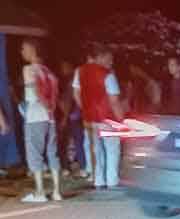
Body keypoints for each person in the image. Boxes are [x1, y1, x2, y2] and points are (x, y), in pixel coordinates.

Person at [74, 47, 124, 190]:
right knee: (112, 150)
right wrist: (121, 120)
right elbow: (114, 101)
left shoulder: (80, 71)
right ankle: (112, 181)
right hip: (107, 118)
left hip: (89, 119)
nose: (111, 62)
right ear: (100, 57)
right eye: (109, 59)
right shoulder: (108, 75)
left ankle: (98, 181)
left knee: (96, 151)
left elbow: (76, 93)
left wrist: (85, 109)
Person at [20, 39, 62, 203]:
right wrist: (50, 107)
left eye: (24, 49)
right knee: (52, 152)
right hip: (50, 117)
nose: (22, 52)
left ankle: (40, 192)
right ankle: (57, 191)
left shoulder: (28, 69)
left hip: (35, 115)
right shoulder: (49, 72)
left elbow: (34, 92)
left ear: (32, 50)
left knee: (34, 153)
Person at [58, 60, 86, 177]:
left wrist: (64, 118)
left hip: (71, 116)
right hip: (76, 116)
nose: (62, 70)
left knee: (67, 142)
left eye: (65, 67)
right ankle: (82, 166)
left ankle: (68, 167)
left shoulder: (70, 82)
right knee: (78, 142)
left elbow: (68, 101)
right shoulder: (74, 81)